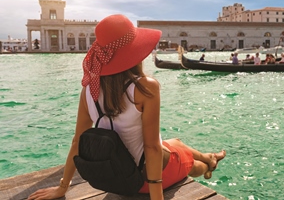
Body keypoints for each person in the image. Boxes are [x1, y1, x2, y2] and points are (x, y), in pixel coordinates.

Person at [27, 15, 226, 200]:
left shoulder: (88, 89)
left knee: (176, 142)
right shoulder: (145, 87)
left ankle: (209, 156)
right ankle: (208, 165)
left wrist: (63, 187)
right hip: (142, 181)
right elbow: (152, 148)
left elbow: (77, 141)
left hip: (115, 177)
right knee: (191, 163)